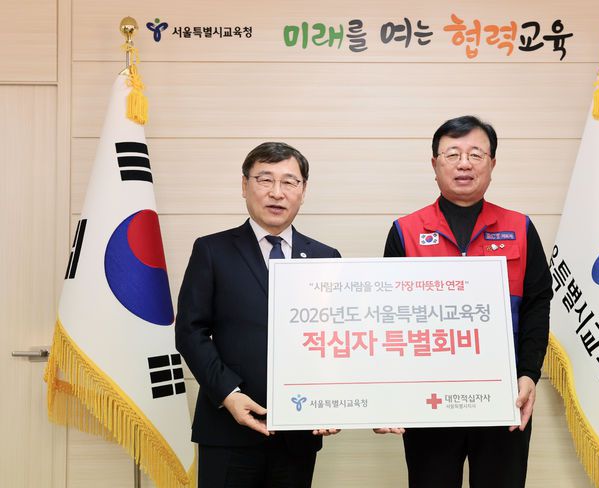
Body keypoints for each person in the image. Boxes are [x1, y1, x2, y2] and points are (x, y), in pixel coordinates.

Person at [381, 116, 553, 487]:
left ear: (492, 163)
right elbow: (389, 318)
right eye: (453, 154)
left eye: (476, 154)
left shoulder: (520, 228)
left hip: (503, 394)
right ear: (434, 164)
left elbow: (538, 305)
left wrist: (528, 374)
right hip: (428, 398)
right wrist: (391, 394)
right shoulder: (405, 231)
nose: (464, 164)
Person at [176, 142, 341, 488]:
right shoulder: (211, 250)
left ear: (303, 191)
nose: (277, 192)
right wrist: (228, 393)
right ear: (244, 185)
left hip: (300, 430)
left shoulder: (326, 257)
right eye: (265, 179)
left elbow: (336, 338)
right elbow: (190, 332)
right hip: (227, 428)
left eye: (289, 182)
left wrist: (331, 402)